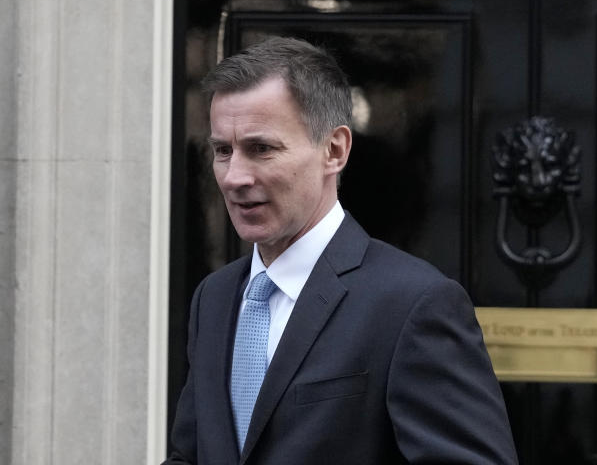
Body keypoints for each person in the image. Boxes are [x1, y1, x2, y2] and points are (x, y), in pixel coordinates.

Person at [164, 37, 518, 464]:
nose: (234, 176)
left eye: (261, 149)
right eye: (223, 151)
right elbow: (191, 454)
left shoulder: (413, 304)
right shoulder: (215, 297)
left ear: (334, 150)